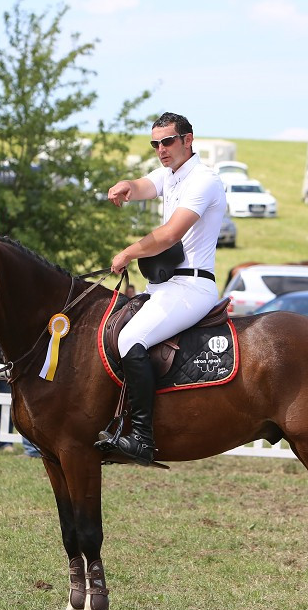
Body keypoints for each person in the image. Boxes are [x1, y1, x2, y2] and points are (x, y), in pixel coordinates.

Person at [95, 112, 227, 467]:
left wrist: (128, 252)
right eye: (155, 143)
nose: (160, 149)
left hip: (192, 286)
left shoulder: (203, 180)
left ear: (188, 139)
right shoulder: (171, 173)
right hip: (165, 285)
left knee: (128, 340)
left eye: (167, 141)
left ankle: (141, 437)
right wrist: (126, 184)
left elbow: (170, 234)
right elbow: (144, 185)